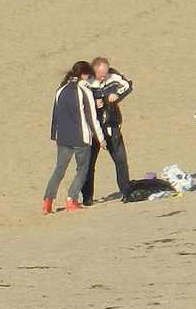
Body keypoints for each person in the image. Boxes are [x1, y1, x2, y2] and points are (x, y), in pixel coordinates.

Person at [44, 61, 99, 213]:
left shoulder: (60, 90)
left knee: (59, 170)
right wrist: (99, 137)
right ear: (84, 75)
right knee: (82, 169)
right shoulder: (84, 91)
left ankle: (47, 201)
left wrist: (53, 136)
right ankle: (71, 198)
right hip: (81, 137)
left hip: (63, 137)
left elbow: (55, 115)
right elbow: (92, 117)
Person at [81, 57, 133, 204]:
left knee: (121, 161)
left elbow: (127, 85)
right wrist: (93, 102)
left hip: (111, 124)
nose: (104, 77)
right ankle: (87, 197)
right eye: (101, 74)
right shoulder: (87, 81)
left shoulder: (113, 76)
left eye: (105, 74)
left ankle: (125, 191)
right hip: (93, 128)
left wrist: (117, 95)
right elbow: (78, 101)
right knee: (89, 165)